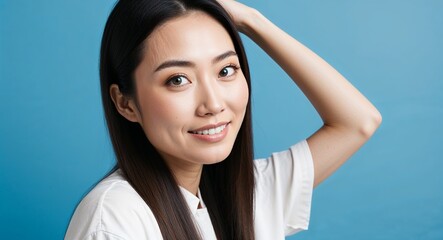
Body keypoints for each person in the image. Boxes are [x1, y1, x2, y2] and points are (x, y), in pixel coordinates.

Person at [65, 0, 382, 239]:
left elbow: (359, 121)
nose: (213, 104)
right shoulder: (116, 216)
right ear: (125, 103)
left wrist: (252, 21)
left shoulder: (247, 195)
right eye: (178, 80)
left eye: (226, 70)